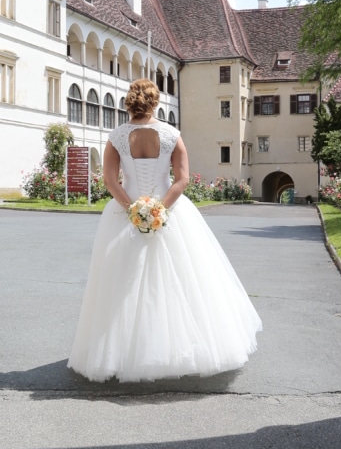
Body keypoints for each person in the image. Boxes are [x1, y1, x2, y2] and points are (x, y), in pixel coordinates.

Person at [68, 79, 262, 383]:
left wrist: (134, 209)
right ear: (155, 102)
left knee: (121, 287)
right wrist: (159, 210)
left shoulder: (117, 137)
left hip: (124, 214)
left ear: (129, 102)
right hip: (170, 212)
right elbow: (181, 180)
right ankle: (173, 347)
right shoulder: (172, 135)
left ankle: (123, 352)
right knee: (179, 284)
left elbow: (110, 181)